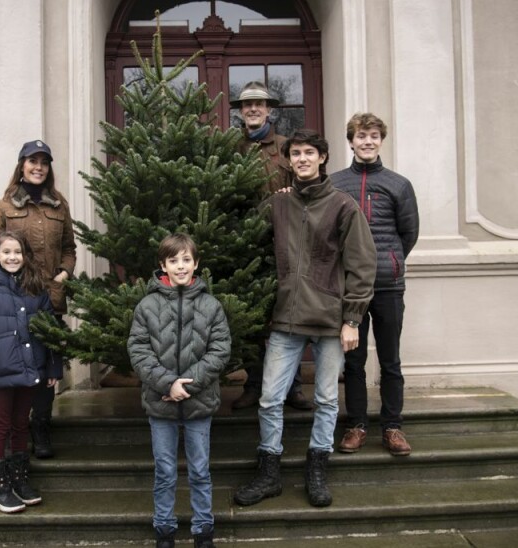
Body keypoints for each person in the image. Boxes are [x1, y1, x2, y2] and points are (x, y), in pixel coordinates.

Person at [234, 130, 376, 508]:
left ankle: (317, 468)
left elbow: (363, 266)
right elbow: (244, 239)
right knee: (269, 399)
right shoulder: (278, 205)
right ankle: (268, 472)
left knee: (328, 400)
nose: (301, 159)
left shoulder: (344, 206)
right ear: (289, 160)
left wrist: (352, 320)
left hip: (330, 321)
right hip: (285, 319)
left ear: (323, 158)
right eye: (295, 154)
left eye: (309, 153)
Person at [128, 233, 230, 548]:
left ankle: (203, 530)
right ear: (163, 265)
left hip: (199, 403)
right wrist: (166, 383)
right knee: (165, 471)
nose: (181, 266)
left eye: (186, 259)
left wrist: (187, 385)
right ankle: (164, 529)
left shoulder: (211, 306)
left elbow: (220, 350)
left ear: (196, 263)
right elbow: (139, 351)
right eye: (174, 260)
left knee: (200, 469)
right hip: (161, 404)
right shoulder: (147, 306)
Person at [0, 140, 76, 459]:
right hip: (9, 305)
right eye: (32, 161)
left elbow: (69, 248)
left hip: (49, 301)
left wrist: (63, 274)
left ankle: (41, 426)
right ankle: (10, 432)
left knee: (46, 366)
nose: (38, 167)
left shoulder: (59, 204)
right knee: (13, 364)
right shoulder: (4, 207)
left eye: (44, 162)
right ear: (21, 166)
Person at [330, 113, 419, 457]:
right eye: (360, 136)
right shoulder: (336, 183)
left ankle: (393, 426)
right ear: (350, 141)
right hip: (350, 288)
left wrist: (389, 262)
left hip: (388, 286)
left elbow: (408, 233)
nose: (367, 141)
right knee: (353, 361)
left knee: (390, 359)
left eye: (373, 136)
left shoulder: (399, 185)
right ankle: (356, 425)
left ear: (381, 141)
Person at [0, 230, 62, 513]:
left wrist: (53, 365)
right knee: (1, 426)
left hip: (31, 370)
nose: (12, 257)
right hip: (2, 371)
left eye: (17, 252)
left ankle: (19, 481)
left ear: (25, 255)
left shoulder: (36, 289)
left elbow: (50, 330)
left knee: (21, 424)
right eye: (6, 252)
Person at [228, 81, 312, 412]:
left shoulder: (287, 148)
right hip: (244, 248)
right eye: (247, 105)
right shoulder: (230, 150)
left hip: (284, 247)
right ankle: (253, 384)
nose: (252, 109)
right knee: (251, 320)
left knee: (287, 316)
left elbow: (307, 190)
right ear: (240, 111)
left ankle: (292, 387)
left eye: (259, 104)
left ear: (269, 109)